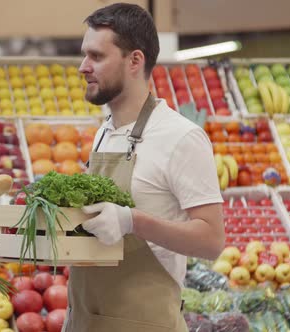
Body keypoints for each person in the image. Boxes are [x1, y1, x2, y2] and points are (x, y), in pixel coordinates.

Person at [63, 3, 225, 331]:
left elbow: (212, 241)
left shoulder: (181, 137)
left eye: (96, 56)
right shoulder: (104, 133)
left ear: (135, 60)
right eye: (84, 55)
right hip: (84, 320)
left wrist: (132, 221)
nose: (83, 67)